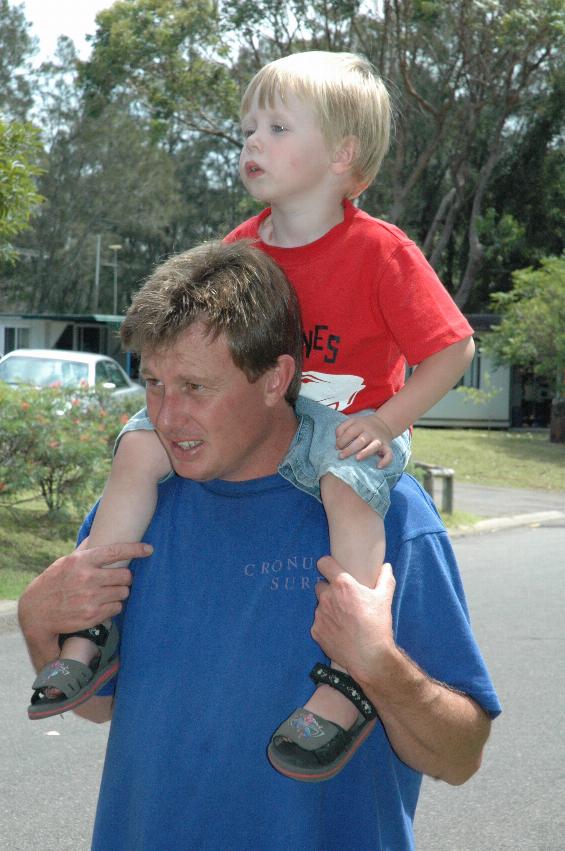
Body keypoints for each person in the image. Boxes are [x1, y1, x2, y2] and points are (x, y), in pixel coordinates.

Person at [27, 51, 475, 783]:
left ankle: (350, 671)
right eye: (245, 131)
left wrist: (388, 422)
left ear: (342, 153)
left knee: (347, 489)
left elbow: (452, 349)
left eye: (274, 126)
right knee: (136, 450)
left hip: (345, 424)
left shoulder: (380, 252)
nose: (251, 144)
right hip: (267, 428)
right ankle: (90, 620)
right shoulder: (239, 249)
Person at [19, 239, 500, 850]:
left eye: (195, 387)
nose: (167, 417)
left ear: (276, 378)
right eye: (154, 384)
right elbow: (100, 706)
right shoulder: (138, 509)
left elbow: (460, 755)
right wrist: (39, 622)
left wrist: (378, 665)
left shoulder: (389, 516)